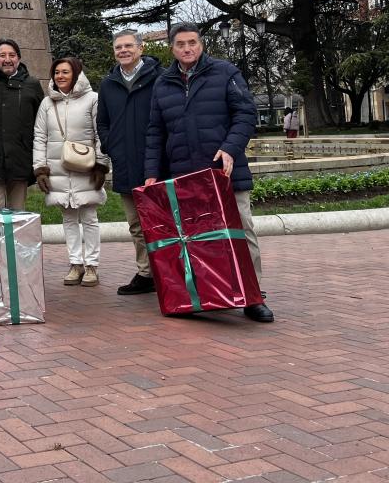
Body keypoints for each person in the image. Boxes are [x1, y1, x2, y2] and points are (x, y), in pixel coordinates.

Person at [144, 22, 274, 323]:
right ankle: (210, 294)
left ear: (201, 44)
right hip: (186, 175)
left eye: (192, 43)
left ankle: (253, 296)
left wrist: (230, 148)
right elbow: (155, 132)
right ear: (172, 48)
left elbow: (245, 114)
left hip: (223, 170)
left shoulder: (225, 73)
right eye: (181, 44)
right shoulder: (163, 83)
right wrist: (152, 173)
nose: (187, 49)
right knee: (197, 237)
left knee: (240, 231)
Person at [33, 57, 110, 287]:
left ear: (76, 73)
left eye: (65, 72)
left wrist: (101, 165)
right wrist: (40, 169)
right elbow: (40, 137)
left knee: (89, 217)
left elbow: (101, 134)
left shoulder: (93, 99)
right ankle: (75, 263)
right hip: (58, 168)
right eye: (57, 72)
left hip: (85, 169)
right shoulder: (47, 103)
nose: (60, 76)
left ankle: (92, 265)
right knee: (68, 217)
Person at [97, 29, 163, 296]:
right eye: (118, 47)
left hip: (156, 162)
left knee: (161, 221)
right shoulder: (108, 83)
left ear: (141, 48)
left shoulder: (159, 78)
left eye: (128, 46)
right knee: (136, 224)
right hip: (124, 161)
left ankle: (169, 270)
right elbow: (102, 121)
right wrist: (109, 143)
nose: (123, 51)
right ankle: (146, 273)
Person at [0, 38, 44, 209]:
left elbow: (42, 122)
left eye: (12, 55)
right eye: (2, 55)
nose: (7, 59)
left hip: (20, 160)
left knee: (18, 215)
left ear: (19, 58)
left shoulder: (32, 84)